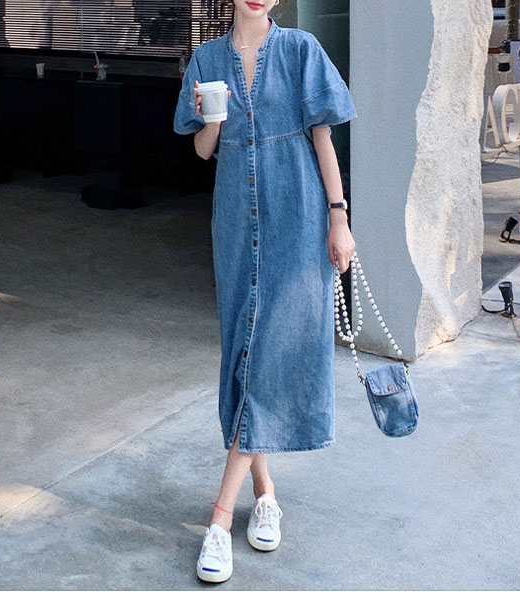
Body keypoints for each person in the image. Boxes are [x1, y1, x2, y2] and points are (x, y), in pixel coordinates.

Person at [173, 0, 357, 584]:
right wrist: (213, 117)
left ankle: (220, 517)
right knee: (246, 356)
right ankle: (266, 492)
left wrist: (338, 218)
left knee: (272, 356)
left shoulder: (302, 51)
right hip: (236, 225)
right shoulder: (205, 59)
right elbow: (203, 150)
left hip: (299, 220)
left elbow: (323, 139)